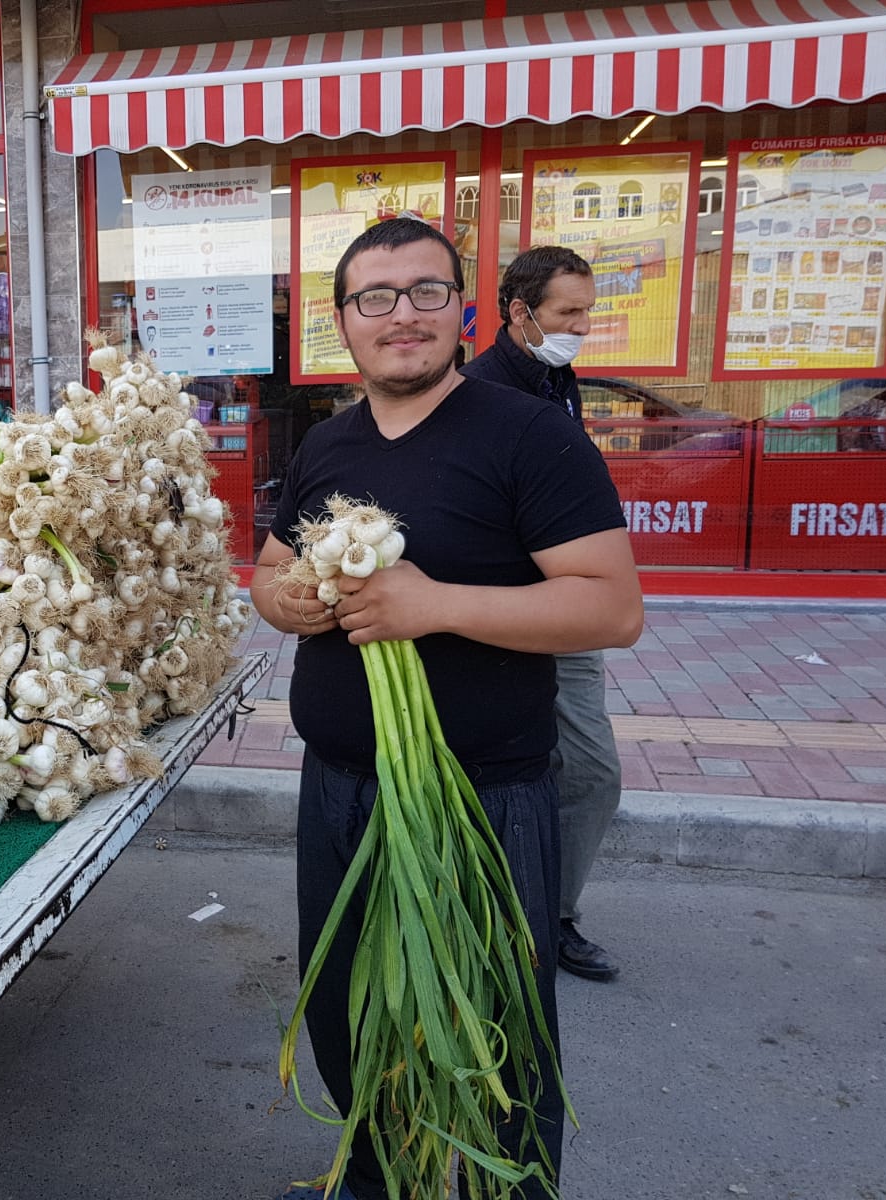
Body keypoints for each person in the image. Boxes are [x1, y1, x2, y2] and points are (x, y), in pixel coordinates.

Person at [250, 218, 642, 1200]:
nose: (401, 317)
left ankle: (505, 1188)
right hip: (337, 793)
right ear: (343, 322)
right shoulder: (326, 441)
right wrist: (282, 597)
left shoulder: (530, 436)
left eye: (426, 292)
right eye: (373, 298)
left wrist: (435, 606)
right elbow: (266, 565)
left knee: (493, 1035)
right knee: (348, 1017)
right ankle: (379, 1177)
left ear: (464, 312)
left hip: (483, 798)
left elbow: (611, 605)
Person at [460, 245, 625, 984]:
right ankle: (489, 918)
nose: (582, 326)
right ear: (519, 312)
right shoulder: (476, 392)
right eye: (569, 312)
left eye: (587, 311)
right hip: (496, 618)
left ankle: (552, 916)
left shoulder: (559, 377)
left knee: (590, 773)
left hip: (566, 614)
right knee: (492, 779)